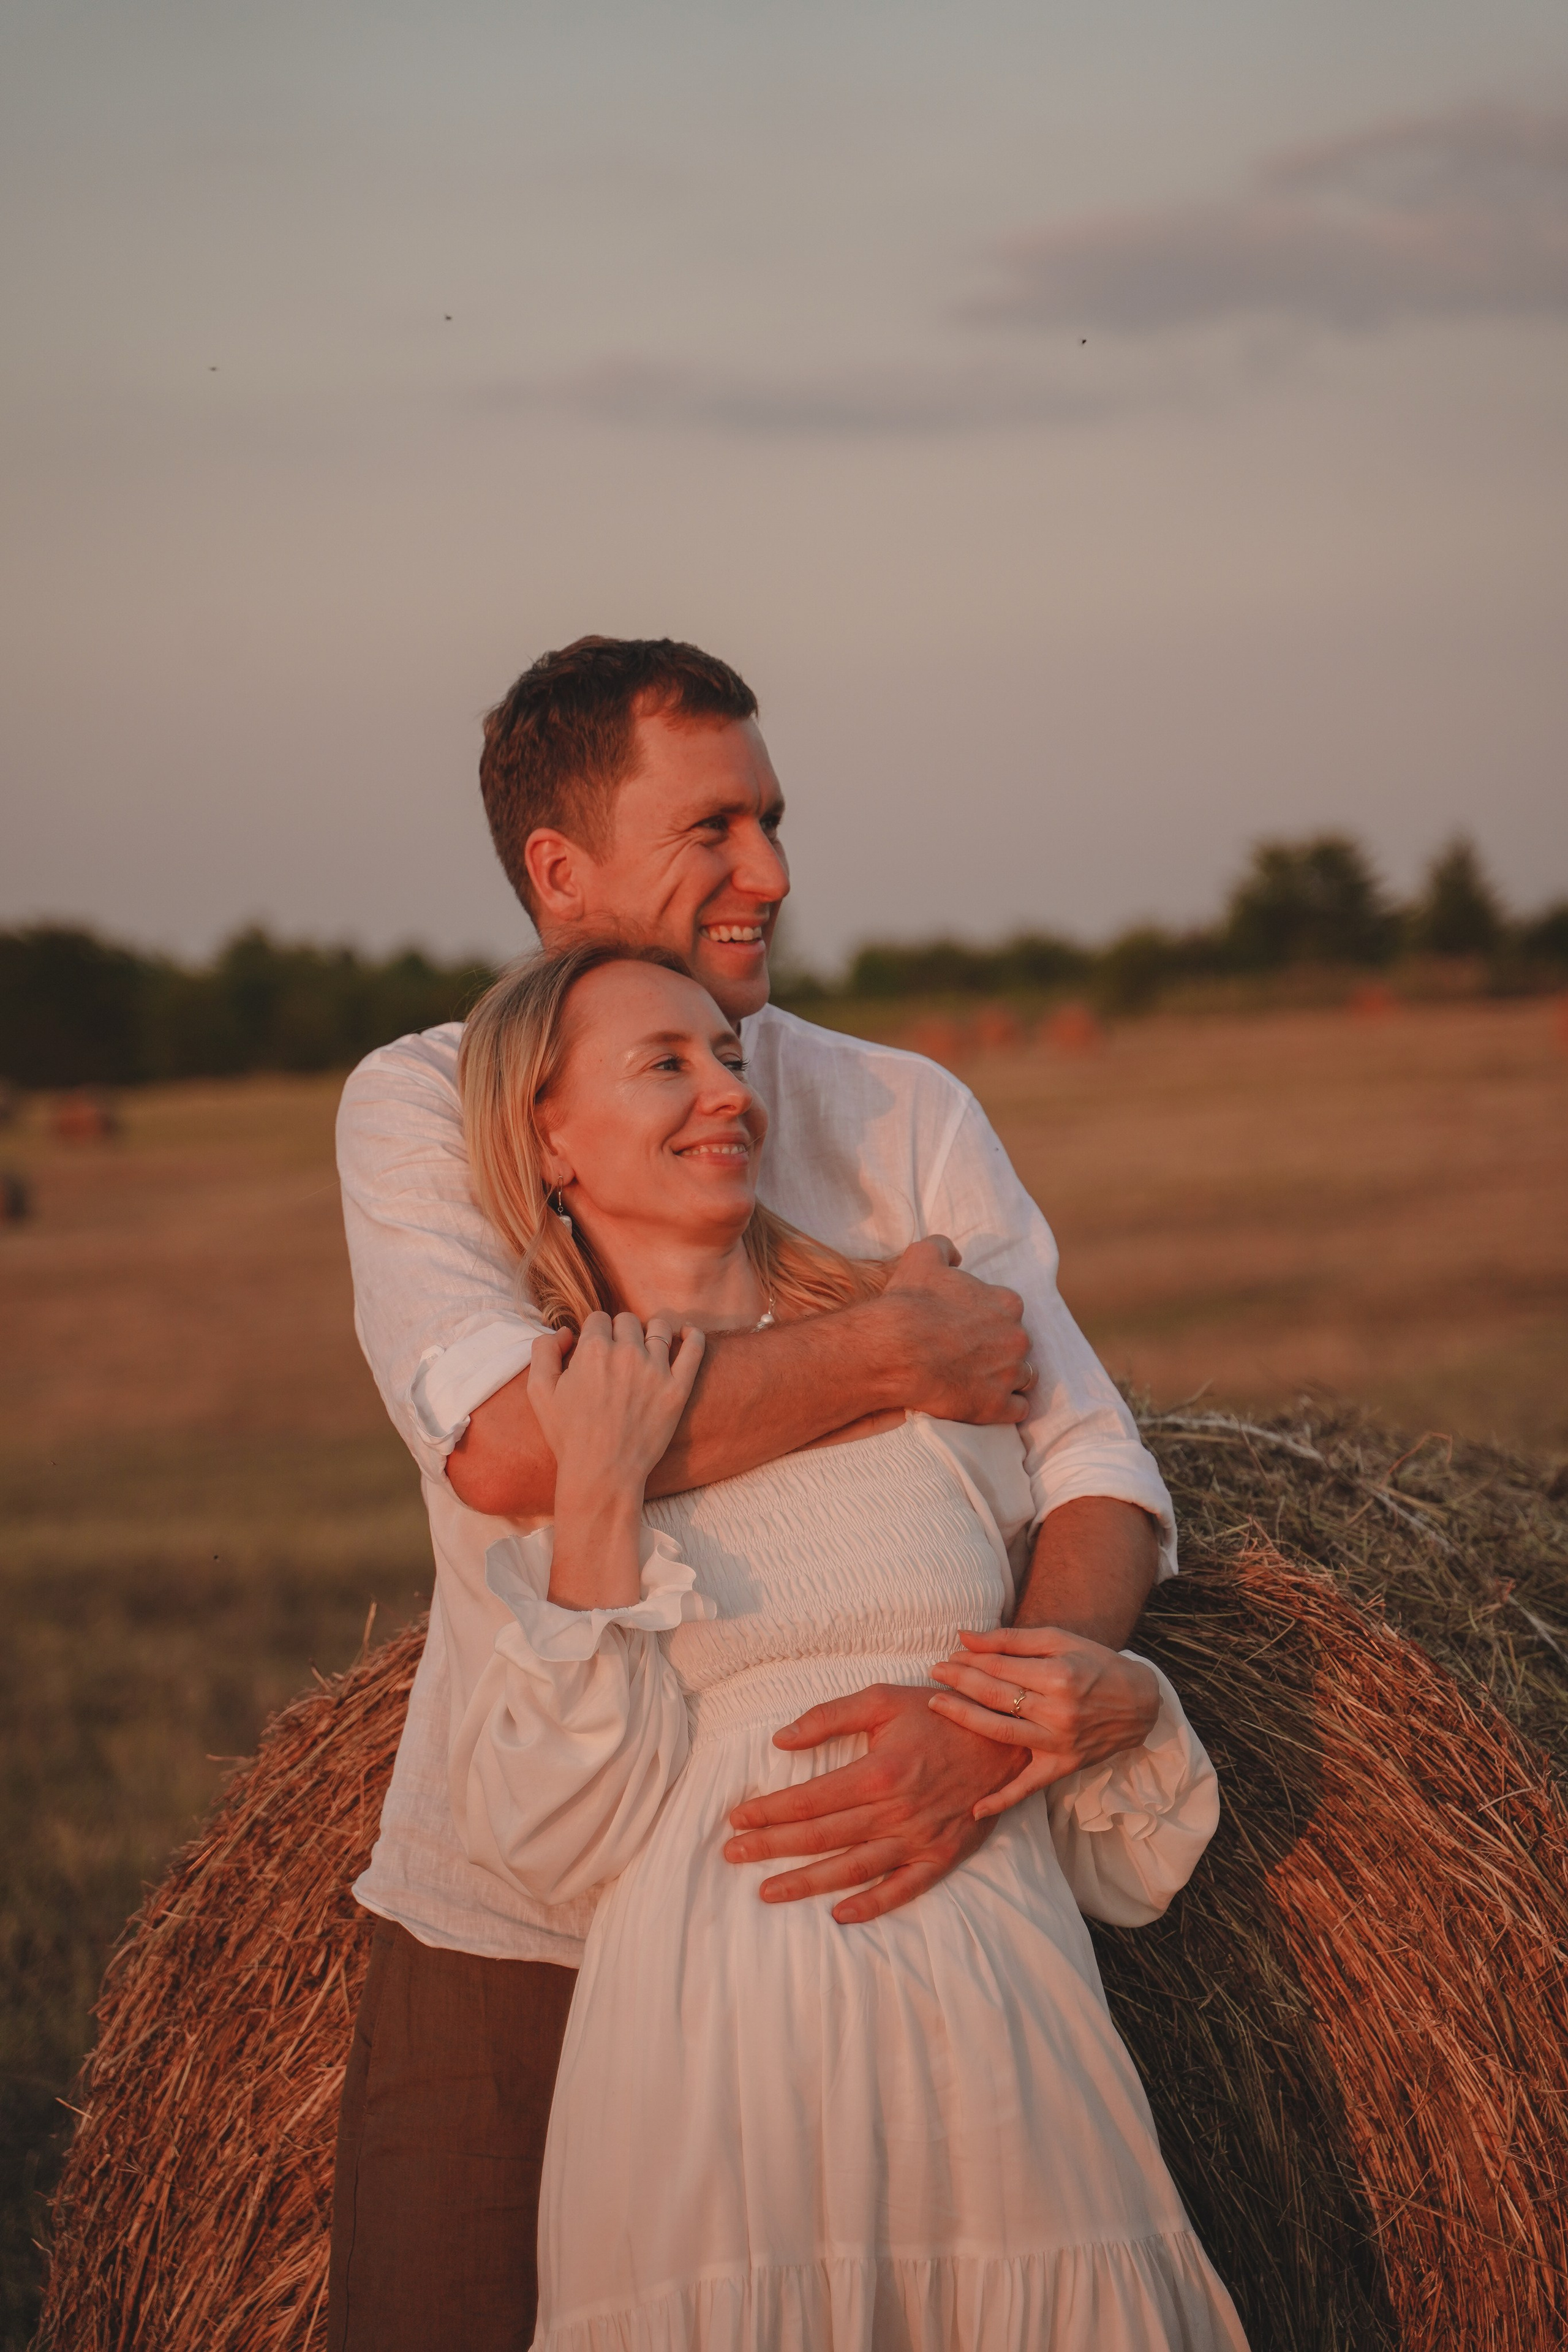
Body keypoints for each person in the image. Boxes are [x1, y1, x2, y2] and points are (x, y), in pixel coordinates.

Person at [330, 637, 1178, 2350]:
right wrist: (894, 1353)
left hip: (916, 1887)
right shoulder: (435, 1099)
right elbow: (511, 1448)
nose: (772, 875)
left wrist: (999, 1727)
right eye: (713, 826)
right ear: (557, 869)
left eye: (774, 820)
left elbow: (1093, 1472)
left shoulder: (898, 1109)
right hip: (523, 1895)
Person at [450, 938, 1245, 2349]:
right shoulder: (552, 1429)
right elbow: (559, 1838)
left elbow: (1085, 1638)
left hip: (1001, 2046)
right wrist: (596, 1490)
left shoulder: (926, 1335)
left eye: (730, 1058)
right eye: (665, 1064)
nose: (728, 1094)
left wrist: (1113, 1703)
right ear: (549, 1138)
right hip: (711, 2085)